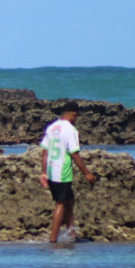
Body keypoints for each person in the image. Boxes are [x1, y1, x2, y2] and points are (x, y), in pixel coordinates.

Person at [40, 101, 96, 243]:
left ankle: (72, 235)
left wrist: (44, 173)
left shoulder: (52, 127)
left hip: (51, 170)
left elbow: (45, 152)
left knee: (69, 200)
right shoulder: (71, 130)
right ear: (74, 114)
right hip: (62, 172)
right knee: (60, 204)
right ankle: (53, 240)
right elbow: (74, 154)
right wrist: (87, 173)